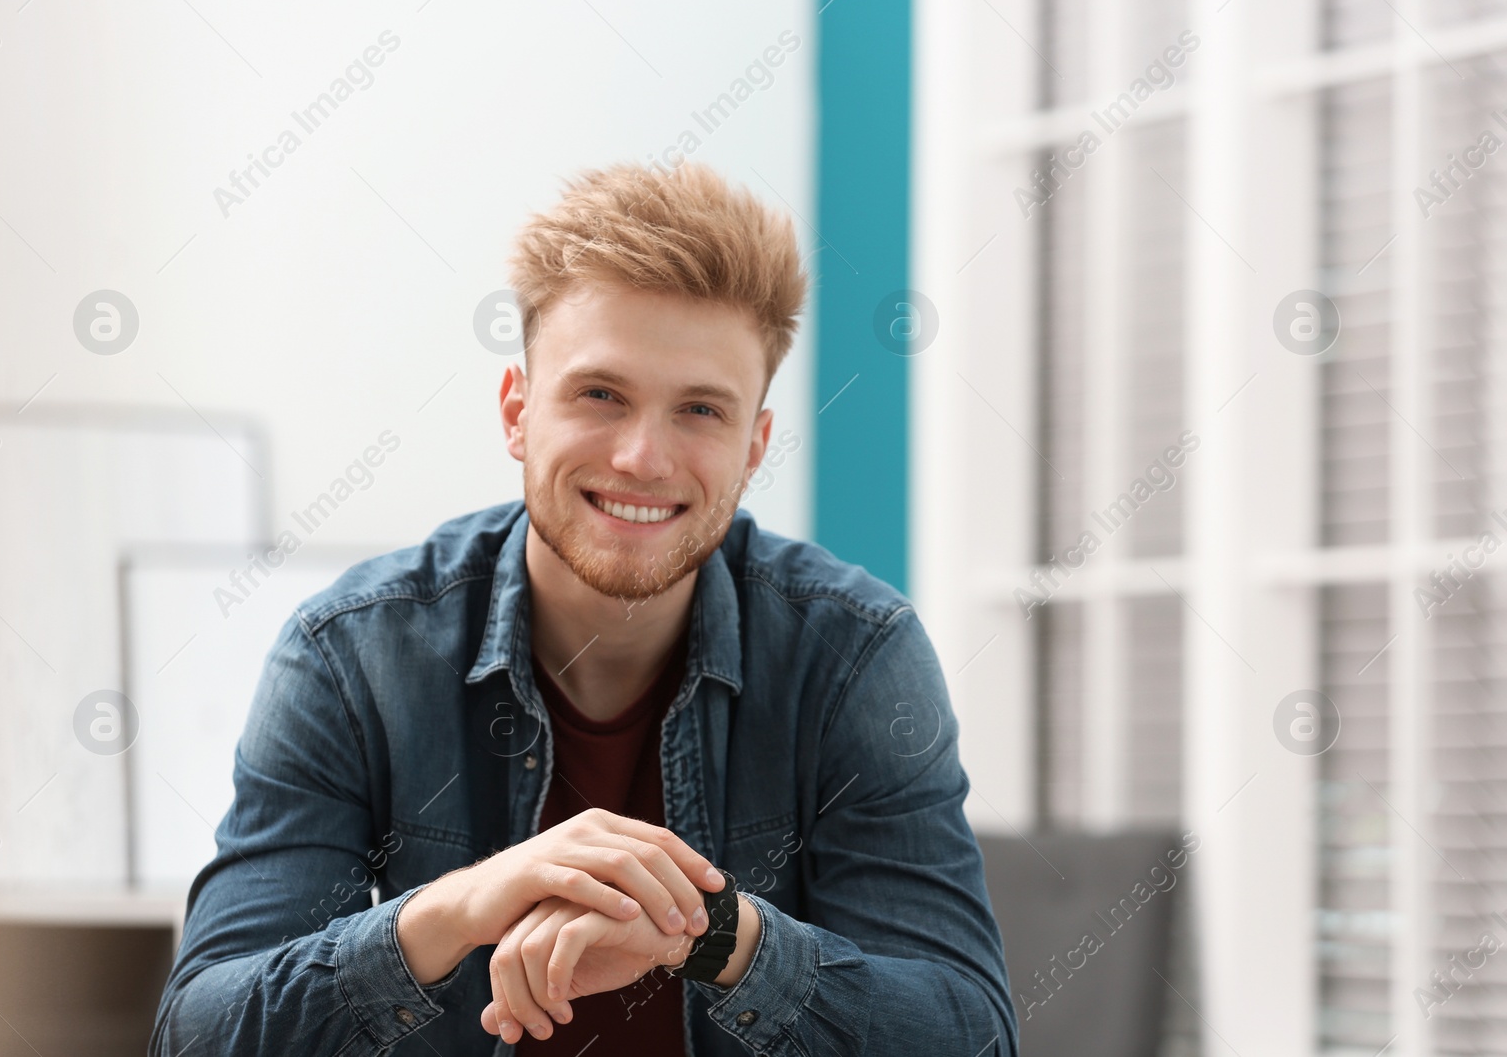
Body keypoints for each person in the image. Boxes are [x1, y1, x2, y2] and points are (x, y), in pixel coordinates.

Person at [148, 161, 1016, 1056]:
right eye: (600, 394)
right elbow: (198, 1033)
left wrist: (711, 933)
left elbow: (971, 1032)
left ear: (754, 444)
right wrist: (458, 907)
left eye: (701, 410)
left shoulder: (854, 656)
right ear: (518, 412)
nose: (643, 456)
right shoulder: (352, 654)